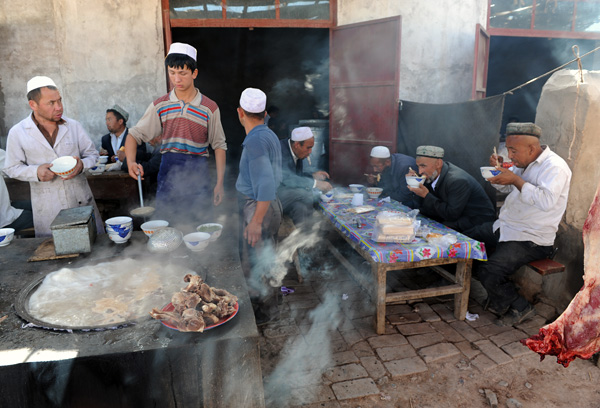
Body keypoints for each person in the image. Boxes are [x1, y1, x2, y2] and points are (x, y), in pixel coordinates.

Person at [478, 122, 571, 326]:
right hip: (507, 228)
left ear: (531, 148)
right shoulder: (522, 164)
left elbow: (546, 202)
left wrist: (515, 180)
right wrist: (500, 173)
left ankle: (521, 306)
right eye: (508, 149)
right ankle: (499, 297)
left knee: (490, 271)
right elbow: (506, 190)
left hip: (532, 239)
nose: (510, 155)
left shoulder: (555, 167)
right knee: (469, 242)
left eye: (513, 150)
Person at [124, 42, 227, 227]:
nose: (176, 79)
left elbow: (219, 146)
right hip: (169, 174)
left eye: (182, 73)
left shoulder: (209, 108)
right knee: (167, 227)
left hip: (198, 174)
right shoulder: (161, 105)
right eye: (172, 72)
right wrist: (131, 161)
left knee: (199, 227)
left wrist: (219, 183)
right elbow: (134, 134)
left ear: (194, 73)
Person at [4, 76, 103, 237]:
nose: (59, 107)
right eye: (51, 103)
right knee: (55, 254)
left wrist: (81, 166)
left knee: (94, 251)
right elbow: (11, 168)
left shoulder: (73, 126)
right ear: (33, 104)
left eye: (60, 101)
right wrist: (36, 172)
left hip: (79, 201)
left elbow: (93, 155)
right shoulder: (18, 132)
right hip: (47, 207)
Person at [236, 88, 282, 325]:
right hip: (271, 205)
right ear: (265, 113)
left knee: (254, 262)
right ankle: (272, 305)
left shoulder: (254, 141)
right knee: (267, 257)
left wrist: (255, 222)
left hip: (259, 207)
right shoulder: (269, 135)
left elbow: (264, 183)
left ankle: (263, 315)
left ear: (239, 113)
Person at [407, 145, 496, 236]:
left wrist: (426, 195)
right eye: (418, 166)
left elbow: (451, 214)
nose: (420, 171)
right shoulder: (432, 175)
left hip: (476, 219)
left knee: (436, 232)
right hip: (455, 215)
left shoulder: (457, 180)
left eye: (423, 166)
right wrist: (415, 185)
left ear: (438, 163)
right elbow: (422, 206)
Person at [278, 126, 332, 227]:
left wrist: (313, 176)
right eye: (308, 147)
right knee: (306, 193)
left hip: (288, 194)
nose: (310, 151)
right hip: (271, 197)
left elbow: (296, 176)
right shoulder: (280, 151)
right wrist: (316, 183)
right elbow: (287, 179)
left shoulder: (296, 151)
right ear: (297, 144)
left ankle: (305, 237)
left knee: (300, 207)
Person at [100, 104, 147, 169]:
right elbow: (106, 163)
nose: (107, 123)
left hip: (130, 176)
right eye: (106, 120)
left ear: (120, 121)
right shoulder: (105, 139)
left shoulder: (135, 136)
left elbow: (144, 157)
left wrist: (127, 156)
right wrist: (105, 157)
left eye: (109, 119)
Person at [0, 149, 34, 233]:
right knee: (41, 215)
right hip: (4, 221)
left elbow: (11, 166)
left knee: (36, 204)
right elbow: (13, 167)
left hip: (6, 207)